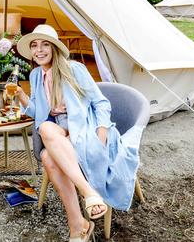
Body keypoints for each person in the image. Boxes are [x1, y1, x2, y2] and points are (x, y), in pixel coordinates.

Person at [14, 25, 140, 242]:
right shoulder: (36, 74)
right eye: (34, 45)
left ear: (54, 48)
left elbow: (101, 103)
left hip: (85, 127)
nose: (39, 50)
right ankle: (89, 194)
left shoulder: (74, 69)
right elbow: (39, 112)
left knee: (47, 157)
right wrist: (21, 98)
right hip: (61, 129)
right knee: (44, 127)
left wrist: (101, 133)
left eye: (45, 44)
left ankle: (78, 225)